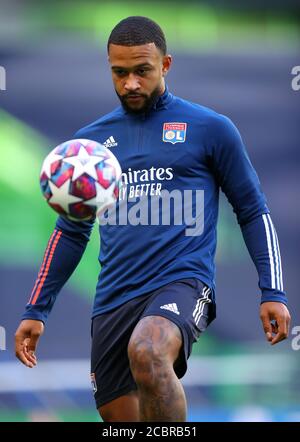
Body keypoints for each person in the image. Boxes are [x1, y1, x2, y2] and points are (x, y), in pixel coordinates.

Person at [15, 16, 291, 422]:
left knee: (148, 349)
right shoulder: (89, 148)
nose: (130, 83)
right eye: (119, 72)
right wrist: (36, 310)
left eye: (142, 70)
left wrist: (273, 291)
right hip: (113, 298)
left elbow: (253, 210)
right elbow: (70, 232)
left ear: (165, 65)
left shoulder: (210, 129)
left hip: (182, 282)